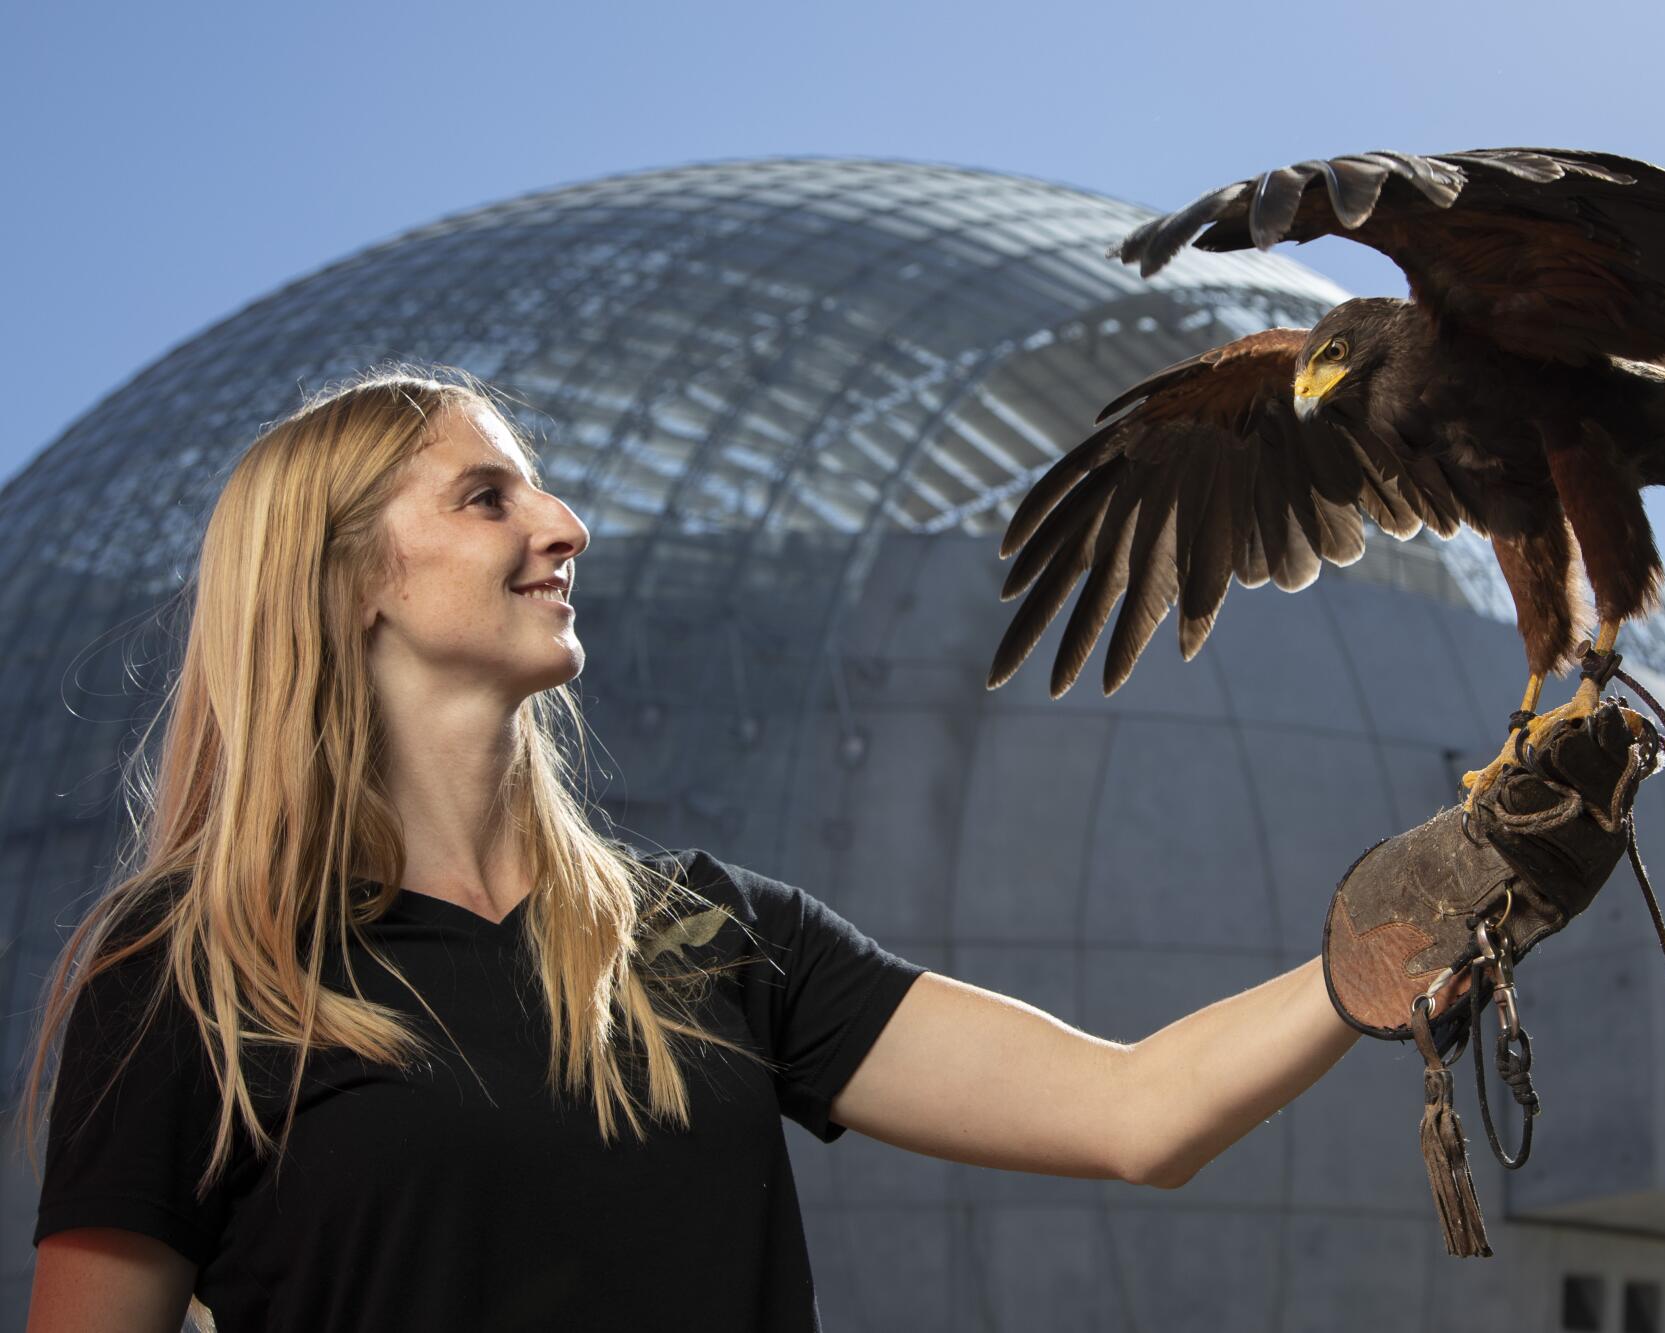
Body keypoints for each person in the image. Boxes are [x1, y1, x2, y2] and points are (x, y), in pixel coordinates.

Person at [17, 365, 1412, 1333]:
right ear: (346, 576)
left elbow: (1135, 1111)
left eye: (541, 491)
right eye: (486, 498)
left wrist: (1386, 952)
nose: (565, 524)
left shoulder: (715, 939)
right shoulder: (196, 975)